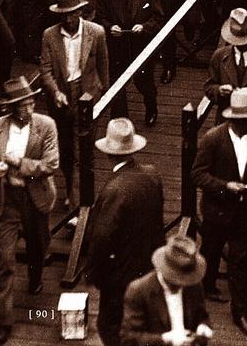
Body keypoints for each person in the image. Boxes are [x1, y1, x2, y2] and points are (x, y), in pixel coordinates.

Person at [0, 77, 59, 345]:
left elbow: (51, 164)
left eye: (32, 101)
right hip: (6, 199)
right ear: (11, 107)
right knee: (6, 259)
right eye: (23, 104)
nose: (30, 107)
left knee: (38, 245)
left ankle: (35, 276)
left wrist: (18, 162)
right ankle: (5, 320)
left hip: (35, 198)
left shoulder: (46, 126)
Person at [191, 88, 247, 337]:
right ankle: (207, 287)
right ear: (238, 119)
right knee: (210, 250)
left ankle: (241, 312)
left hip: (243, 211)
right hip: (216, 210)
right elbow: (197, 174)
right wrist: (224, 186)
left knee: (239, 260)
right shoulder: (212, 139)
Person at [86, 118, 165, 346]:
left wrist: (93, 273)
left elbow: (101, 238)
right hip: (149, 267)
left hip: (119, 274)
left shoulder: (114, 189)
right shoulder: (153, 175)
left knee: (110, 326)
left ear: (109, 153)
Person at [40, 0, 109, 206]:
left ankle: (81, 201)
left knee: (84, 150)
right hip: (61, 95)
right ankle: (71, 185)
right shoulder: (50, 35)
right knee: (66, 147)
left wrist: (100, 95)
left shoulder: (96, 32)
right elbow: (46, 70)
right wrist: (56, 92)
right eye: (64, 15)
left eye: (73, 13)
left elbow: (103, 68)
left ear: (80, 12)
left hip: (87, 94)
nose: (69, 19)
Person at [95, 0, 165, 125]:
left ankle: (151, 109)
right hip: (117, 48)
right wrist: (110, 27)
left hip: (141, 46)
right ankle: (121, 119)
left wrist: (144, 27)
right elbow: (100, 18)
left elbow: (158, 18)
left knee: (144, 82)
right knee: (117, 85)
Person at [120, 235, 213, 346]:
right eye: (176, 280)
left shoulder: (193, 284)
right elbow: (129, 338)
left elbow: (202, 316)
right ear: (165, 271)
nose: (181, 284)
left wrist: (203, 327)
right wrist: (165, 339)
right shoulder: (139, 290)